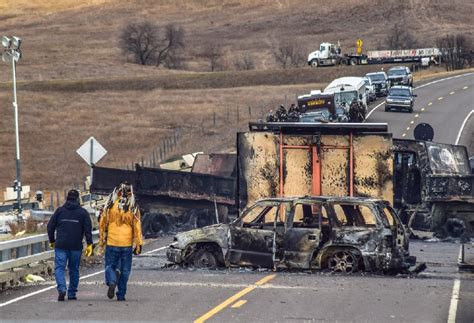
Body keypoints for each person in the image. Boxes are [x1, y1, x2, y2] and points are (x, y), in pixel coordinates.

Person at [99, 182, 143, 301]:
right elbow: (137, 226)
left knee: (110, 266)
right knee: (125, 270)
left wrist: (102, 240)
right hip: (126, 243)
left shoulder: (111, 205)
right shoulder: (132, 207)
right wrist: (138, 244)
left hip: (112, 241)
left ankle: (112, 281)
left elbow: (103, 223)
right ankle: (121, 294)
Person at [47, 189, 93, 301]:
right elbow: (88, 229)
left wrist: (52, 240)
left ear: (67, 198)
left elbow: (50, 226)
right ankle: (72, 293)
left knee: (59, 268)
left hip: (61, 245)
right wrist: (90, 244)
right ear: (78, 199)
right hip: (76, 246)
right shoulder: (83, 213)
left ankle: (62, 289)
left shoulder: (59, 211)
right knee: (74, 270)